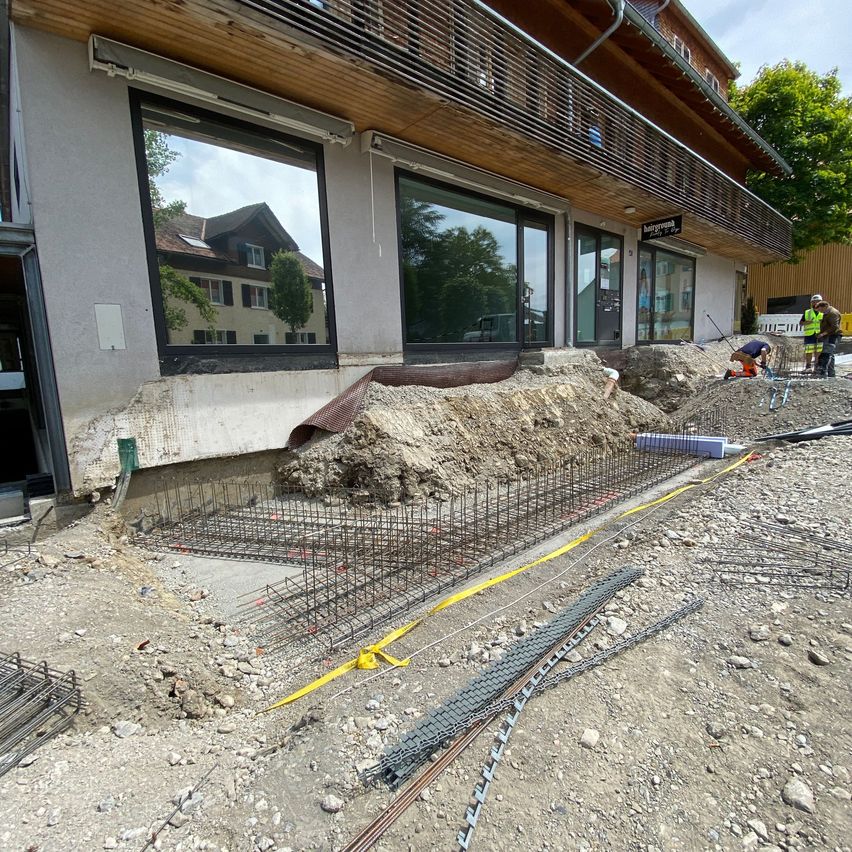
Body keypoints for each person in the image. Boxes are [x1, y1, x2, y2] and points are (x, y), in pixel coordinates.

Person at [814, 299, 843, 378]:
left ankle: (823, 373)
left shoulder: (833, 313)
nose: (820, 312)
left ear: (825, 306)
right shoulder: (827, 313)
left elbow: (834, 327)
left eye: (820, 310)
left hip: (833, 335)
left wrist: (823, 333)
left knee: (826, 353)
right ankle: (831, 374)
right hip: (828, 335)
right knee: (830, 354)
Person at [799, 294, 824, 372]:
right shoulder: (807, 312)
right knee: (809, 351)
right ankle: (808, 367)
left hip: (820, 334)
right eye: (814, 302)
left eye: (818, 301)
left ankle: (816, 366)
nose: (816, 303)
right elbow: (801, 323)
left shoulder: (824, 312)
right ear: (811, 303)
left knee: (818, 351)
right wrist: (807, 322)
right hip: (809, 334)